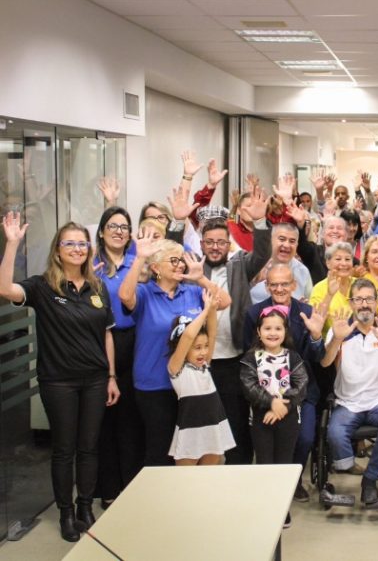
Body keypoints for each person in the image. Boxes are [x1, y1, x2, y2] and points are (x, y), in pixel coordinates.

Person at [0, 213, 120, 542]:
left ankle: (85, 507)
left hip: (95, 380)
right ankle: (66, 513)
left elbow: (107, 334)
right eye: (70, 243)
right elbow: (5, 288)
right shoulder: (42, 287)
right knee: (64, 449)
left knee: (89, 448)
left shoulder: (98, 287)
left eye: (82, 244)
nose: (78, 249)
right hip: (59, 382)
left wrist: (111, 376)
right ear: (57, 250)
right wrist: (12, 245)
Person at [118, 234, 231, 467]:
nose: (180, 265)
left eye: (181, 260)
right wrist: (140, 258)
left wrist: (201, 278)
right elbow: (125, 296)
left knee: (192, 451)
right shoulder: (145, 293)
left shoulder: (191, 292)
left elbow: (224, 301)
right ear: (156, 267)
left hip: (190, 386)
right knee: (160, 451)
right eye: (174, 260)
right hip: (155, 384)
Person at [321, 279, 378, 504]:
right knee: (334, 434)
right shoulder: (341, 327)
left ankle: (370, 480)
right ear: (351, 303)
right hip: (347, 403)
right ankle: (346, 465)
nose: (364, 304)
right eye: (359, 299)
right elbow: (325, 362)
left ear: (376, 302)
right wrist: (337, 339)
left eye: (369, 299)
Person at [243, 264, 325, 501]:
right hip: (265, 395)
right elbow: (248, 355)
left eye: (285, 284)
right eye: (274, 284)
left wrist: (316, 336)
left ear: (294, 285)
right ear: (266, 286)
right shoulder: (254, 313)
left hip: (301, 391)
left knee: (305, 437)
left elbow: (317, 358)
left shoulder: (307, 312)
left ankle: (293, 480)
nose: (279, 288)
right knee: (267, 447)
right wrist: (270, 401)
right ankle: (270, 493)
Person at [200, 211, 271, 466]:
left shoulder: (239, 265)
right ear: (202, 244)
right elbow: (170, 253)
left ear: (228, 244)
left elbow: (262, 253)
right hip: (201, 361)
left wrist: (260, 222)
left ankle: (238, 470)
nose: (215, 247)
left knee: (237, 421)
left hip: (234, 358)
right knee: (203, 422)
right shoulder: (194, 268)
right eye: (210, 242)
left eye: (221, 242)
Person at [93, 206, 144, 508]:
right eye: (112, 226)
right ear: (101, 232)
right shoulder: (91, 264)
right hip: (100, 343)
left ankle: (132, 485)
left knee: (130, 418)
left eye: (124, 227)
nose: (118, 231)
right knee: (105, 418)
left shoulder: (138, 263)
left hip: (134, 341)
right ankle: (108, 488)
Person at [240, 306, 309, 528]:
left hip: (288, 417)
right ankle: (266, 506)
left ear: (285, 331)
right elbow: (249, 386)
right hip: (261, 418)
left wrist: (282, 406)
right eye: (267, 328)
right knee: (265, 463)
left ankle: (282, 508)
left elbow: (301, 384)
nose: (272, 333)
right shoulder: (251, 358)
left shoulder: (293, 357)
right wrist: (271, 403)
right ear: (258, 331)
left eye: (278, 328)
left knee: (283, 463)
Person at [166, 289, 235, 465]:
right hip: (190, 430)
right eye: (197, 348)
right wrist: (205, 311)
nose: (203, 352)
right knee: (186, 479)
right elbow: (188, 336)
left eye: (205, 347)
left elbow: (212, 333)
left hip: (213, 427)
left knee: (209, 477)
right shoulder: (176, 368)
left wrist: (212, 309)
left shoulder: (204, 364)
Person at [250, 222, 313, 303]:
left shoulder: (302, 271)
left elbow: (310, 301)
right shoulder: (255, 265)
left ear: (297, 245)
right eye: (282, 239)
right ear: (270, 240)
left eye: (292, 241)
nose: (287, 245)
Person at [309, 242, 357, 334]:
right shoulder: (319, 288)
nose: (343, 263)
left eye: (347, 259)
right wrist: (329, 295)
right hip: (331, 339)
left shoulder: (360, 284)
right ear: (328, 263)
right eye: (338, 259)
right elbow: (315, 322)